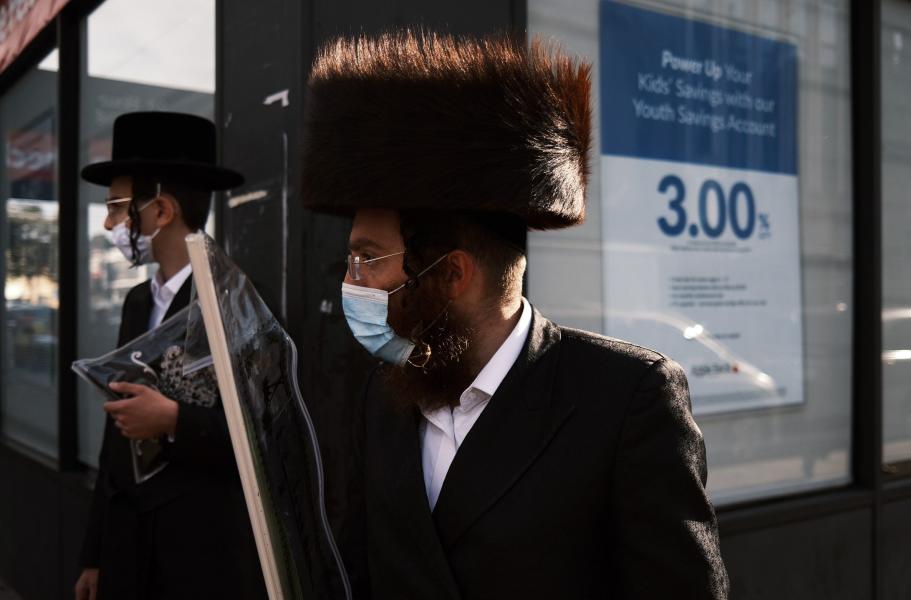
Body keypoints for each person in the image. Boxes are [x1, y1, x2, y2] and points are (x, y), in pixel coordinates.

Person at [302, 32, 729, 599]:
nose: (349, 281)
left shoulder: (626, 399)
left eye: (366, 259)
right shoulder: (385, 393)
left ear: (451, 275)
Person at [75, 112, 266, 600]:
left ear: (160, 210)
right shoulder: (137, 301)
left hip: (196, 557)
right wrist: (94, 554)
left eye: (118, 206)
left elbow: (260, 439)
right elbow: (113, 436)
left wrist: (174, 419)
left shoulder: (235, 304)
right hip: (125, 551)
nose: (109, 222)